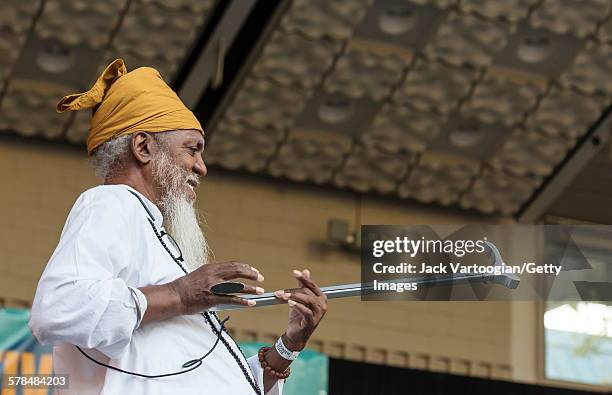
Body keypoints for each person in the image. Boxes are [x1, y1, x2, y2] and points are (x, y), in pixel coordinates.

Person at [29, 59, 327, 395]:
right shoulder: (111, 203)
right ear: (143, 147)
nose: (201, 167)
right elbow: (57, 308)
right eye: (192, 150)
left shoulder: (152, 234)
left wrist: (288, 347)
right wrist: (178, 295)